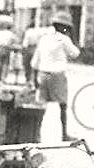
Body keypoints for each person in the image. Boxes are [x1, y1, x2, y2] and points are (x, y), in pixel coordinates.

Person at [31, 11, 81, 141]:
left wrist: (34, 78)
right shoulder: (64, 39)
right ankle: (64, 134)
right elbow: (75, 54)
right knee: (63, 106)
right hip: (57, 75)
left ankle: (36, 135)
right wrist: (73, 38)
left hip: (42, 74)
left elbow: (35, 61)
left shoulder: (44, 38)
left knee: (41, 106)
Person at [21, 21, 45, 85]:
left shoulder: (28, 32)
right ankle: (35, 79)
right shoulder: (39, 32)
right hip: (36, 48)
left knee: (27, 65)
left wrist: (23, 50)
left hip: (29, 48)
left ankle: (28, 80)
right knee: (35, 65)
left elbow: (25, 42)